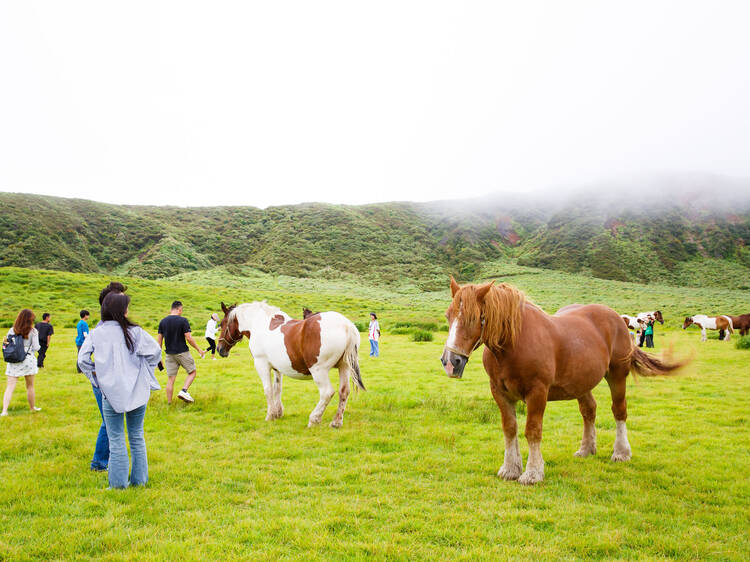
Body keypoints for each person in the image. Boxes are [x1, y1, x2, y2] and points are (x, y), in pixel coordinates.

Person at [78, 292, 161, 489]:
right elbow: (155, 352)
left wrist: (96, 377)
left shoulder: (97, 333)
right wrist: (143, 370)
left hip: (110, 392)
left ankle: (117, 485)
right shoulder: (136, 331)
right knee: (136, 435)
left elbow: (82, 360)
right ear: (123, 311)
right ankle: (139, 482)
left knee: (116, 438)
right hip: (137, 391)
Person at [85, 281, 128, 472]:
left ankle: (104, 461)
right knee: (109, 422)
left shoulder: (116, 326)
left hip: (113, 380)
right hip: (105, 382)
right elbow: (83, 359)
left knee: (111, 421)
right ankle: (100, 462)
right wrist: (96, 377)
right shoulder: (102, 329)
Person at [157, 301, 205, 404]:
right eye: (181, 310)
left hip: (169, 354)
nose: (181, 312)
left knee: (171, 379)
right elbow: (189, 338)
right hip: (182, 352)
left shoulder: (162, 322)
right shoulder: (183, 320)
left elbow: (159, 341)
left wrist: (158, 356)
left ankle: (169, 403)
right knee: (192, 372)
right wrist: (199, 349)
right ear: (179, 309)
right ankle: (184, 391)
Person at [2, 309, 42, 416]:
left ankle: (4, 411)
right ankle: (32, 408)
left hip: (14, 359)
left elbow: (7, 344)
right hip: (28, 359)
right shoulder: (33, 331)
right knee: (30, 386)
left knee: (10, 386)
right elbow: (37, 347)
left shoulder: (12, 330)